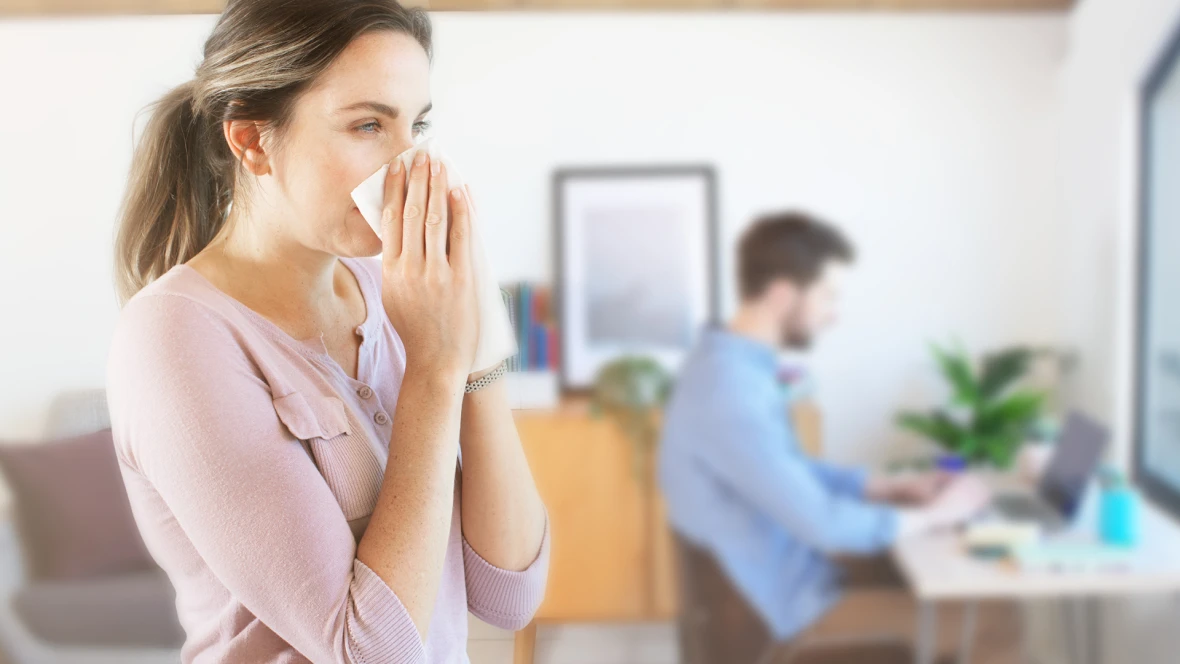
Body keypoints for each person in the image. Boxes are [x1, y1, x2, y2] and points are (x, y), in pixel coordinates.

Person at [106, 1, 548, 662]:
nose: (407, 165)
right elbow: (366, 648)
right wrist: (433, 365)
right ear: (253, 141)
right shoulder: (174, 337)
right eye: (368, 124)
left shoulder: (393, 293)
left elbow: (509, 594)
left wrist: (475, 343)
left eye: (415, 126)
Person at [658, 211, 990, 650]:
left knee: (957, 591)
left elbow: (785, 474)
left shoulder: (727, 366)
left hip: (794, 582)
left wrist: (886, 487)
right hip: (785, 617)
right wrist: (935, 516)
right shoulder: (732, 391)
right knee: (993, 624)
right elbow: (821, 523)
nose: (833, 315)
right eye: (827, 296)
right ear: (781, 295)